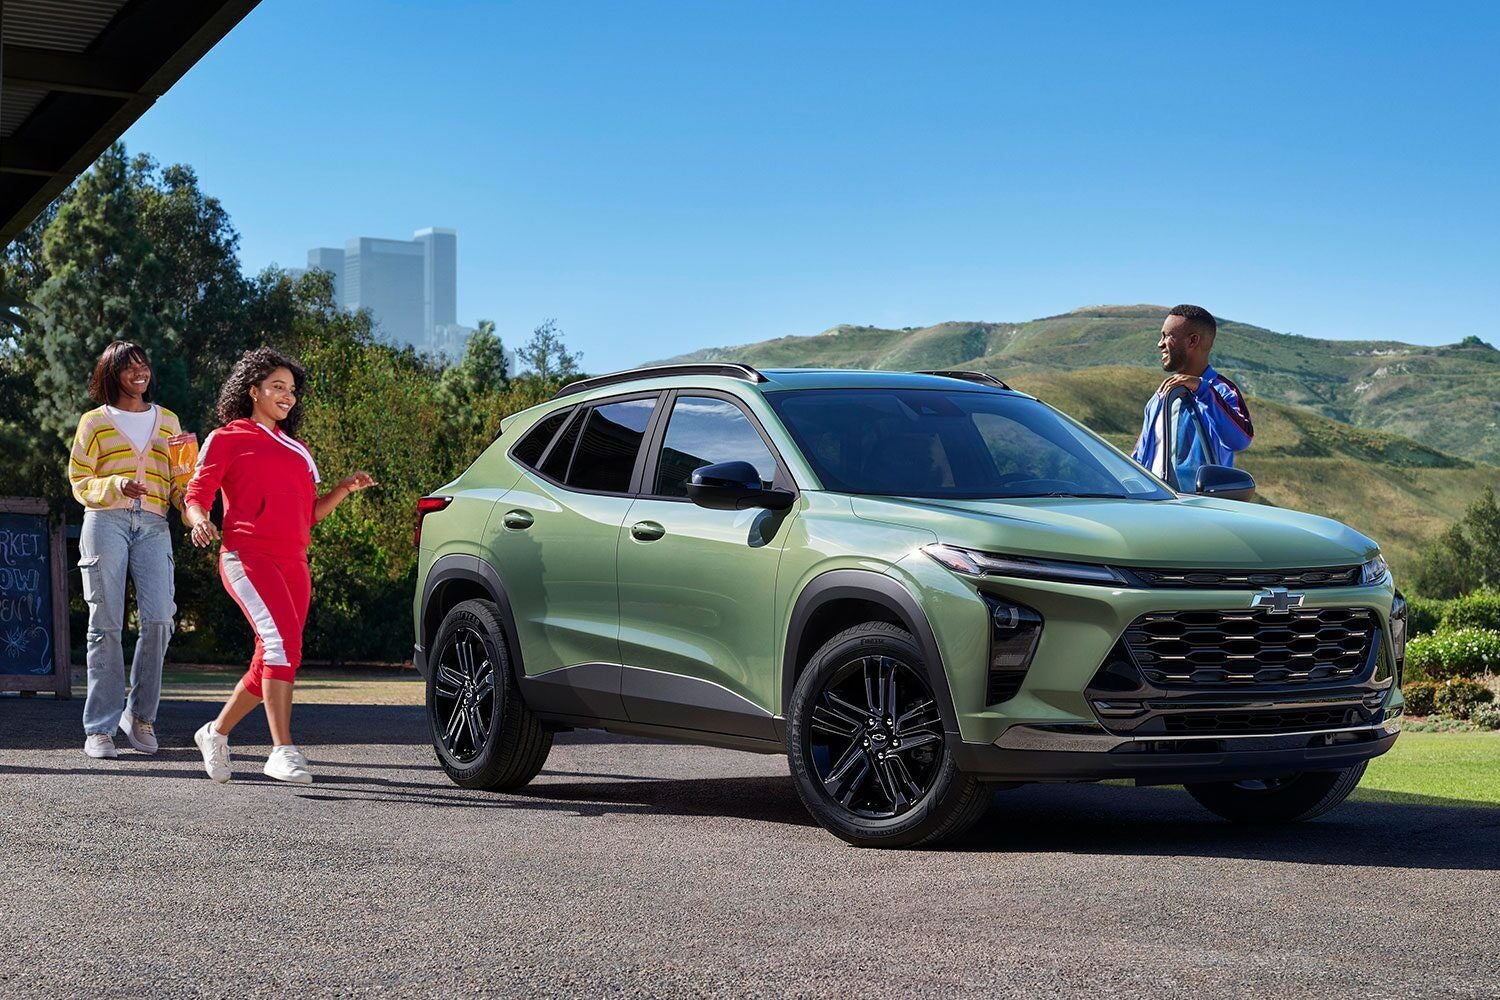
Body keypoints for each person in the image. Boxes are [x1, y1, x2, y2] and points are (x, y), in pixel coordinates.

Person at [183, 348, 375, 785]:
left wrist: (344, 488)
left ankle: (215, 733)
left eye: (291, 390)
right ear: (253, 391)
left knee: (272, 656)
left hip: (294, 561)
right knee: (282, 647)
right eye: (277, 387)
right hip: (246, 557)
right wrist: (199, 521)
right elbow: (196, 495)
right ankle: (281, 750)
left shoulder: (297, 450)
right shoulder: (228, 437)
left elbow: (308, 514)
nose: (287, 397)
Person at [69, 341, 186, 759]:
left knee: (159, 619)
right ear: (111, 373)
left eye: (144, 365)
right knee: (105, 624)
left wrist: (195, 514)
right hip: (106, 522)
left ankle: (138, 715)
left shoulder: (169, 422)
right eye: (129, 367)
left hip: (154, 525)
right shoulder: (94, 422)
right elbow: (79, 480)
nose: (140, 373)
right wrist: (115, 485)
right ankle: (99, 727)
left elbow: (182, 483)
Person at [1131, 304, 1254, 484]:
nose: (1160, 344)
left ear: (1192, 341)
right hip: (1154, 508)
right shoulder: (1160, 397)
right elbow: (1140, 457)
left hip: (1199, 507)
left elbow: (1240, 441)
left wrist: (1202, 390)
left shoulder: (1222, 391)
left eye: (1167, 336)